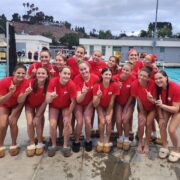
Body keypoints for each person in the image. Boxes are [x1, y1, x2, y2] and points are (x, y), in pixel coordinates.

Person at [149, 70, 180, 162]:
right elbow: (158, 104)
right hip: (167, 107)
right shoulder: (157, 87)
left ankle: (175, 150)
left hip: (177, 109)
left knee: (171, 130)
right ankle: (165, 147)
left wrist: (162, 106)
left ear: (166, 77)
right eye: (156, 79)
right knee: (161, 125)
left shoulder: (175, 87)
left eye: (160, 78)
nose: (158, 80)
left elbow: (176, 109)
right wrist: (161, 117)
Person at [18, 67, 49, 157]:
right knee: (30, 123)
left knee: (38, 122)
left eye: (43, 73)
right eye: (39, 73)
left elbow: (45, 102)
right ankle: (31, 142)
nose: (41, 75)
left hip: (41, 104)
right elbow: (20, 100)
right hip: (29, 105)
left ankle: (39, 141)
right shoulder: (29, 83)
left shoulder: (48, 85)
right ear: (36, 74)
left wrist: (38, 115)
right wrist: (25, 93)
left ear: (47, 75)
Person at [46, 66, 76, 157]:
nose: (67, 76)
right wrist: (51, 97)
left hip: (66, 106)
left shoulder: (71, 84)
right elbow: (47, 100)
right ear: (59, 74)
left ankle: (65, 145)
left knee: (66, 123)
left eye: (68, 74)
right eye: (65, 73)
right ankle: (54, 145)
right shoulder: (53, 81)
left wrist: (67, 115)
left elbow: (73, 102)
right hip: (54, 105)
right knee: (52, 124)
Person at [0, 64, 28, 158]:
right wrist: (10, 92)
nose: (20, 75)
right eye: (18, 73)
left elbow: (21, 101)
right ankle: (1, 145)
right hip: (4, 104)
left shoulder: (25, 82)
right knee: (3, 124)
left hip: (17, 105)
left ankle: (13, 144)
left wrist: (13, 114)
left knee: (13, 122)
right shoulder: (4, 82)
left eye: (23, 73)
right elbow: (1, 101)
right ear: (13, 73)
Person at [73, 61, 99, 152]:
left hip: (89, 103)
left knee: (88, 121)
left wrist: (89, 106)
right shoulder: (77, 79)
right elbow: (78, 100)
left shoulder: (95, 78)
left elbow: (95, 96)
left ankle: (88, 140)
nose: (83, 71)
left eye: (85, 69)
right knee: (79, 122)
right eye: (81, 70)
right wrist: (83, 93)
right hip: (79, 104)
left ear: (89, 68)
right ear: (79, 71)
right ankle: (76, 140)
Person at [93, 68, 119, 153]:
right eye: (106, 74)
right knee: (102, 121)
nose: (108, 76)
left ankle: (107, 141)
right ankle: (101, 140)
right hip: (99, 105)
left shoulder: (114, 85)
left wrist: (108, 114)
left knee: (108, 121)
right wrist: (98, 96)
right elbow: (95, 104)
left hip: (109, 106)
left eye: (109, 75)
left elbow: (112, 102)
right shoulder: (97, 85)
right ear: (102, 75)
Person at [131, 67, 156, 154]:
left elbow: (155, 102)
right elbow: (138, 99)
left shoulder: (152, 84)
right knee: (141, 123)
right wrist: (142, 112)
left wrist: (150, 99)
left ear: (148, 78)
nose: (141, 77)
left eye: (144, 76)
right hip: (142, 107)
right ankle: (139, 142)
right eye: (140, 75)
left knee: (148, 124)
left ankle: (147, 144)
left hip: (152, 108)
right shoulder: (134, 84)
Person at [113, 63, 135, 151]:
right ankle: (120, 136)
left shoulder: (133, 79)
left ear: (131, 71)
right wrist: (117, 87)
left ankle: (126, 138)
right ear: (121, 69)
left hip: (129, 103)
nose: (125, 72)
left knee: (125, 120)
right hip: (118, 103)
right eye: (124, 69)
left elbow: (131, 95)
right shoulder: (115, 78)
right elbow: (112, 92)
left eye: (127, 70)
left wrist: (126, 108)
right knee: (118, 120)